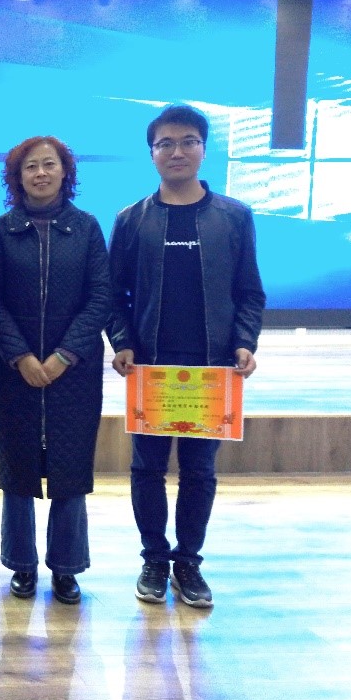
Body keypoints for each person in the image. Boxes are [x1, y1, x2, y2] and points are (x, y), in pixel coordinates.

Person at [107, 104, 265, 608]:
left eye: (188, 141)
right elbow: (112, 294)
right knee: (147, 470)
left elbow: (249, 291)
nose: (177, 151)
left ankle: (189, 563)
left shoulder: (234, 217)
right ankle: (154, 559)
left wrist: (245, 341)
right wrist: (122, 341)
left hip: (212, 369)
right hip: (150, 368)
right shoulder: (131, 219)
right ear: (152, 153)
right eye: (166, 143)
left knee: (199, 472)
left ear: (203, 149)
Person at [0, 136, 111, 606]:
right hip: (11, 370)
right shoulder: (2, 229)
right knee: (16, 467)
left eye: (49, 164)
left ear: (64, 172)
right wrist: (20, 356)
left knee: (69, 468)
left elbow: (100, 296)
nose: (40, 173)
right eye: (31, 166)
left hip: (73, 371)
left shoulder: (87, 228)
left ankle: (67, 568)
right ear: (17, 177)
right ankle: (21, 563)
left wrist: (63, 356)